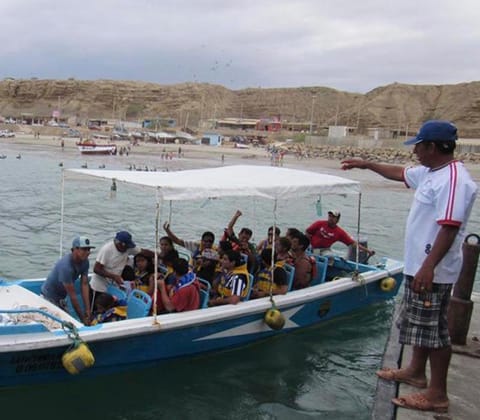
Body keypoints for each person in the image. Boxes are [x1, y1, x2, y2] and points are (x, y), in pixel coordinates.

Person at [341, 120, 477, 413]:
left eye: (418, 145)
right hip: (419, 266)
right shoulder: (431, 173)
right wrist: (366, 164)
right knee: (421, 326)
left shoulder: (454, 180)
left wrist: (429, 267)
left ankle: (437, 394)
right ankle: (415, 371)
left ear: (433, 146)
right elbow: (400, 173)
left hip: (433, 270)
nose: (414, 150)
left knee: (435, 331)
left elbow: (449, 228)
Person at [90, 231, 151, 308]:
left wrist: (158, 255)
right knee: (97, 308)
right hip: (100, 288)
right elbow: (96, 269)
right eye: (126, 247)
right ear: (120, 244)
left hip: (113, 288)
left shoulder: (128, 248)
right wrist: (114, 277)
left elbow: (143, 251)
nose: (127, 249)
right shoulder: (107, 250)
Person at [41, 236, 94, 325]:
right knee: (64, 325)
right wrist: (82, 319)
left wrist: (88, 311)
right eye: (84, 249)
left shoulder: (85, 262)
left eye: (89, 249)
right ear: (74, 249)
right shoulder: (66, 267)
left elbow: (84, 284)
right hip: (48, 298)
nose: (87, 252)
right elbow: (73, 296)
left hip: (61, 298)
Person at [306, 210, 374, 258]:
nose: (331, 218)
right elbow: (307, 232)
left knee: (330, 257)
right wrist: (308, 245)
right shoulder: (319, 223)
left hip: (324, 249)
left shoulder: (339, 232)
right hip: (311, 246)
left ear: (338, 220)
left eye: (333, 217)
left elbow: (353, 243)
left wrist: (368, 251)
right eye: (330, 216)